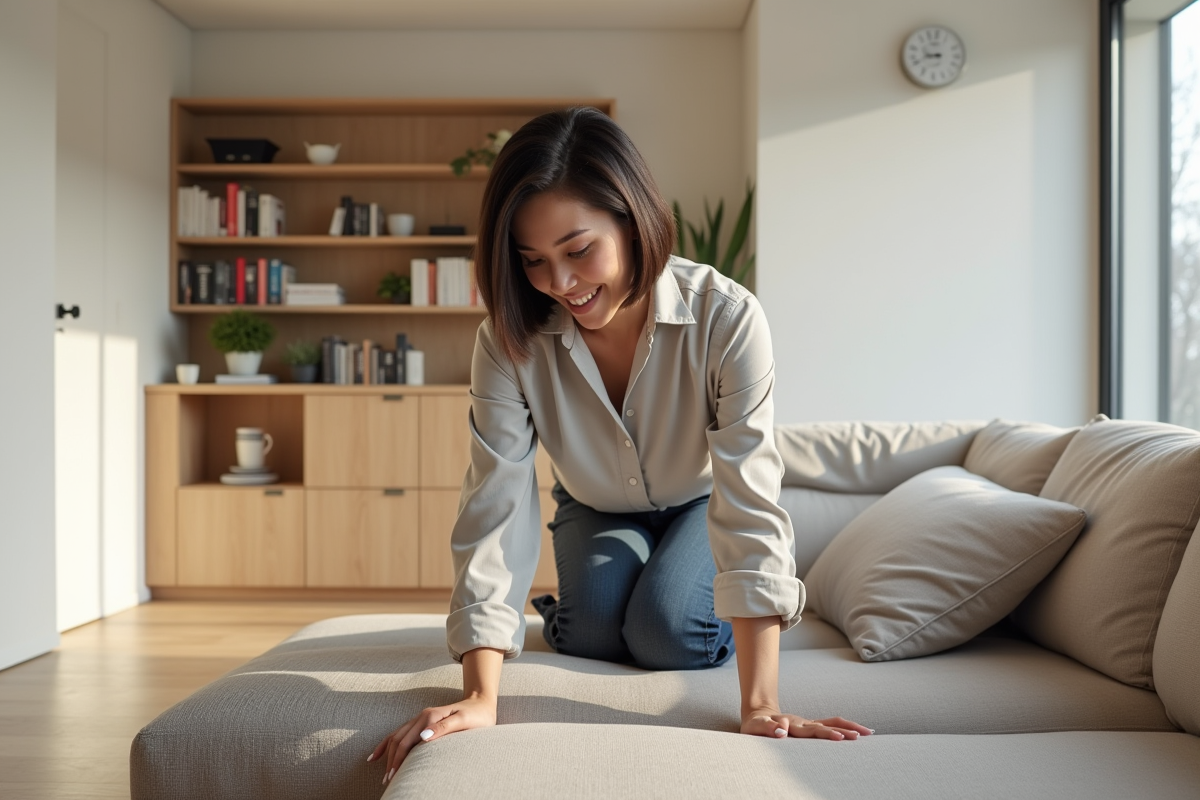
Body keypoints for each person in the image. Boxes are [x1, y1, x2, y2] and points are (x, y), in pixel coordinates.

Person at [370, 107, 871, 784]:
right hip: (594, 506)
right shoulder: (507, 339)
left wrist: (761, 704)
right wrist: (482, 695)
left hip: (701, 506)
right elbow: (497, 499)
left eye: (578, 250)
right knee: (595, 632)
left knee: (666, 632)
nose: (560, 283)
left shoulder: (726, 317)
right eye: (533, 261)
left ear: (633, 218)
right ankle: (600, 602)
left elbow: (747, 493)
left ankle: (728, 604)